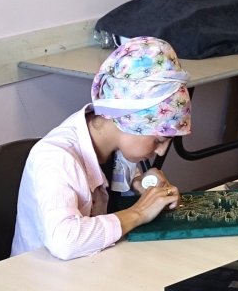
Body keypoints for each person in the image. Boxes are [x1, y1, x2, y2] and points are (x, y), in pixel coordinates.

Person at [12, 37, 189, 259]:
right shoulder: (55, 157)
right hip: (38, 283)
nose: (161, 152)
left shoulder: (113, 143)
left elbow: (114, 185)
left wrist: (140, 185)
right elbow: (65, 241)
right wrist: (139, 212)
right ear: (127, 121)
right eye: (158, 140)